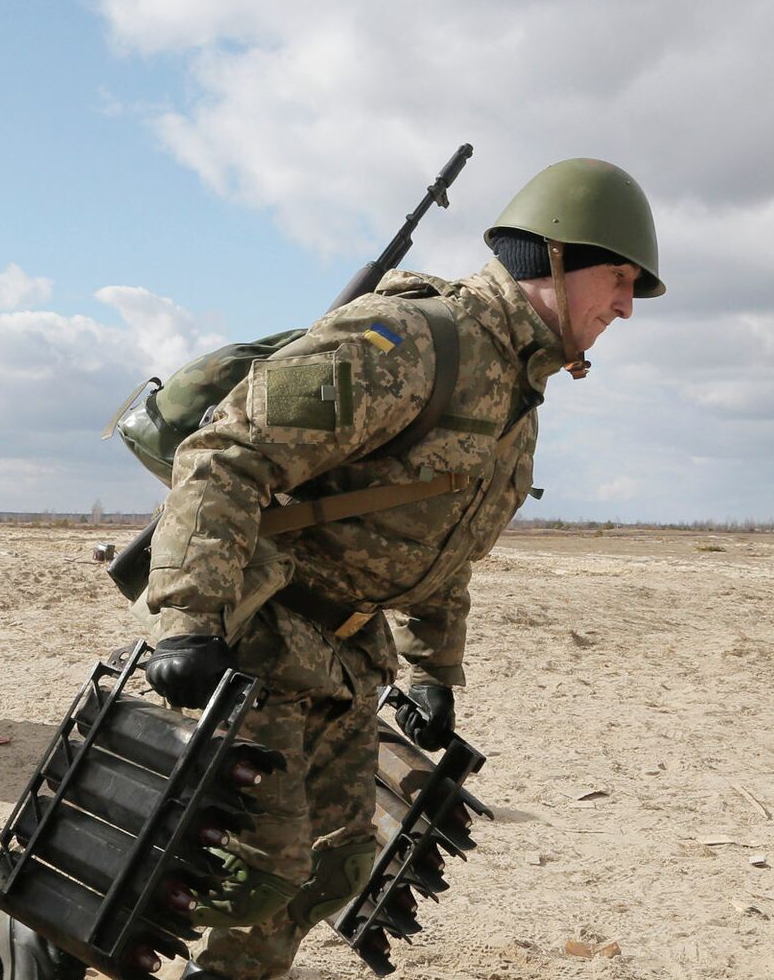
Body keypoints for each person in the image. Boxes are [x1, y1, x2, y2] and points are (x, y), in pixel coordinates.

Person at [137, 159, 665, 979]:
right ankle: (47, 933)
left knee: (335, 868)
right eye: (620, 279)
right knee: (258, 869)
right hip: (256, 640)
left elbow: (446, 546)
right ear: (555, 259)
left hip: (345, 663)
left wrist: (431, 671)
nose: (626, 307)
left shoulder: (515, 402)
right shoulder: (414, 342)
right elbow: (224, 452)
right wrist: (189, 619)